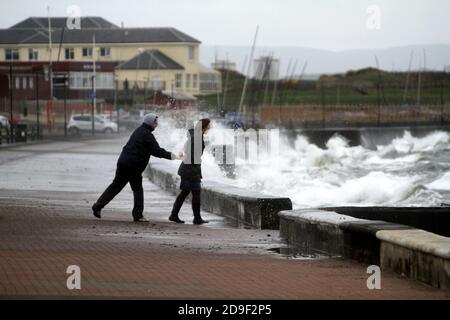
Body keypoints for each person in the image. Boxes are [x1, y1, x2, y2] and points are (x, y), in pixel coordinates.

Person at [92, 113, 181, 222]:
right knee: (137, 189)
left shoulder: (139, 130)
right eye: (155, 122)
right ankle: (138, 215)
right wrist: (174, 156)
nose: (157, 124)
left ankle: (97, 206)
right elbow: (157, 151)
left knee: (115, 186)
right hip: (132, 165)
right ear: (151, 123)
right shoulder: (147, 135)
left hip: (123, 162)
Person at [169, 118, 211, 225]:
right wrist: (195, 170)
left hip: (188, 169)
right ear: (204, 127)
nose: (210, 128)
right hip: (190, 170)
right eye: (208, 126)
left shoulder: (195, 136)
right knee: (195, 193)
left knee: (185, 193)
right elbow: (192, 155)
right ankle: (196, 218)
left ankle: (174, 214)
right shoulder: (196, 137)